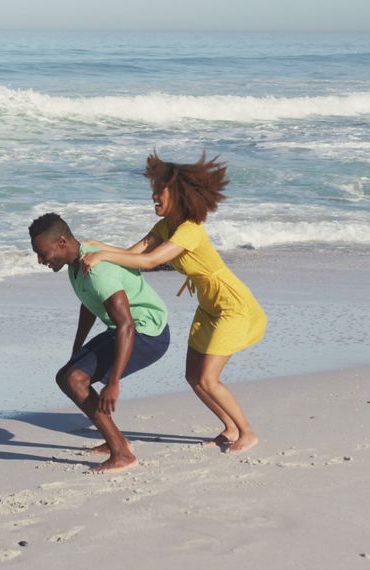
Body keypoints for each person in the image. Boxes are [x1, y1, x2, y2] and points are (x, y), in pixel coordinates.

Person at [81, 151, 265, 453]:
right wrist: (96, 246)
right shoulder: (165, 226)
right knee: (193, 376)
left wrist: (102, 255)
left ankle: (247, 432)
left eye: (159, 192)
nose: (153, 197)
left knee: (208, 378)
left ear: (177, 195)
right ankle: (230, 428)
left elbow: (152, 261)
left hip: (231, 305)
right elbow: (135, 256)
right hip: (208, 307)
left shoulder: (189, 229)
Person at [29, 212, 170, 474]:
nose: (40, 260)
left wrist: (114, 383)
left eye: (42, 253)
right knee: (66, 376)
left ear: (61, 242)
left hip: (147, 333)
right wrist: (77, 348)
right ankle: (117, 441)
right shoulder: (75, 265)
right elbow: (90, 304)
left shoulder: (97, 271)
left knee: (75, 380)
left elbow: (127, 324)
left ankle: (121, 453)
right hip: (124, 328)